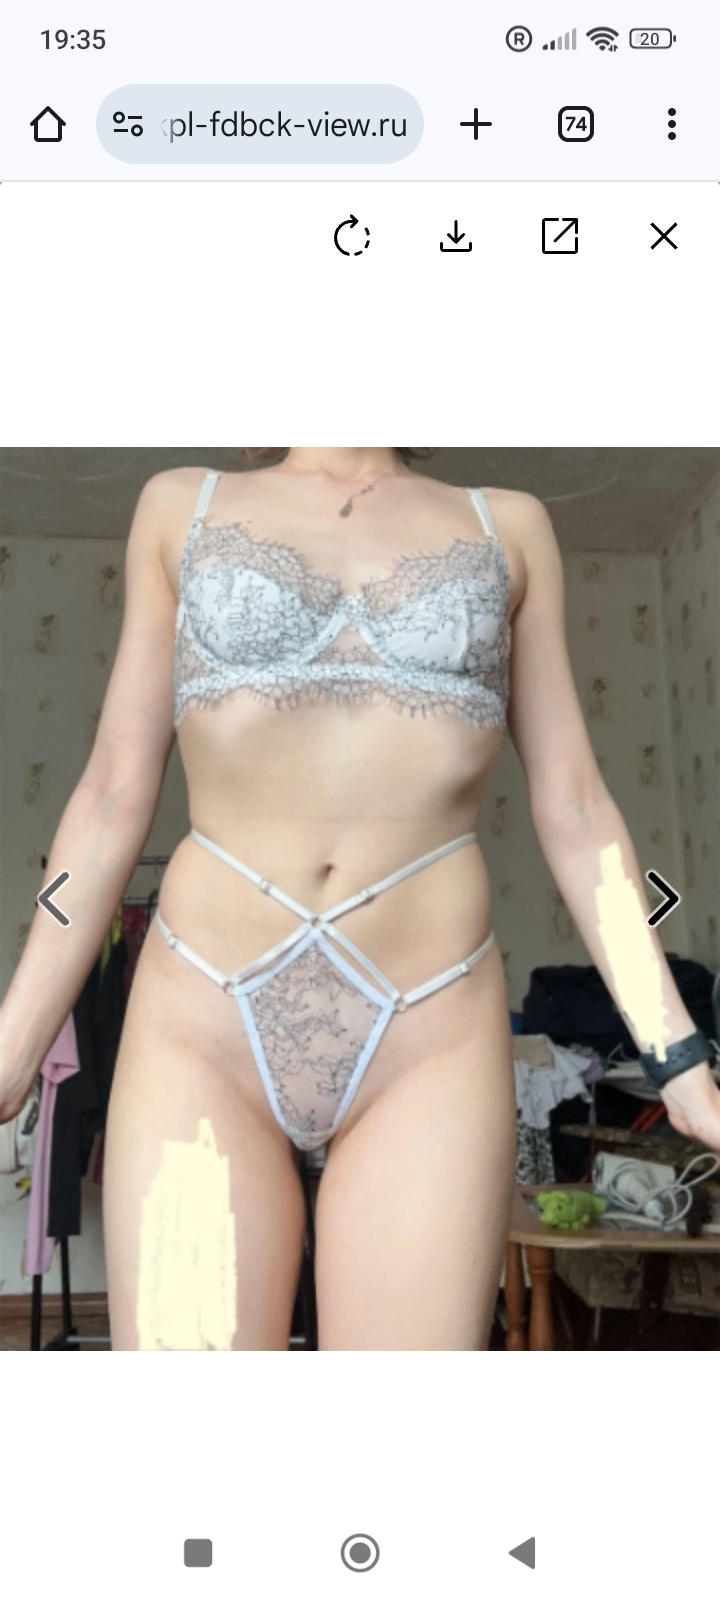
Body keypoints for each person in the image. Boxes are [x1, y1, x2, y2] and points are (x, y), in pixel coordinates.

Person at [1, 447, 719, 1351]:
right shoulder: (180, 506)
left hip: (428, 1034)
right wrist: (16, 1039)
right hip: (204, 1023)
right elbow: (109, 797)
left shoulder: (512, 526)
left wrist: (676, 1055)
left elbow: (580, 813)